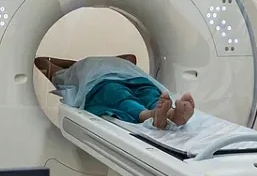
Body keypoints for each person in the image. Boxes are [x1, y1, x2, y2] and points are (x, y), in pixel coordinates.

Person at [35, 54, 195, 129]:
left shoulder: (77, 67)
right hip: (102, 82)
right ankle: (152, 114)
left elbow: (131, 57)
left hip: (131, 76)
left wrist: (79, 62)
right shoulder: (68, 74)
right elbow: (40, 61)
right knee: (121, 94)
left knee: (146, 91)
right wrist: (77, 64)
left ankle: (167, 114)